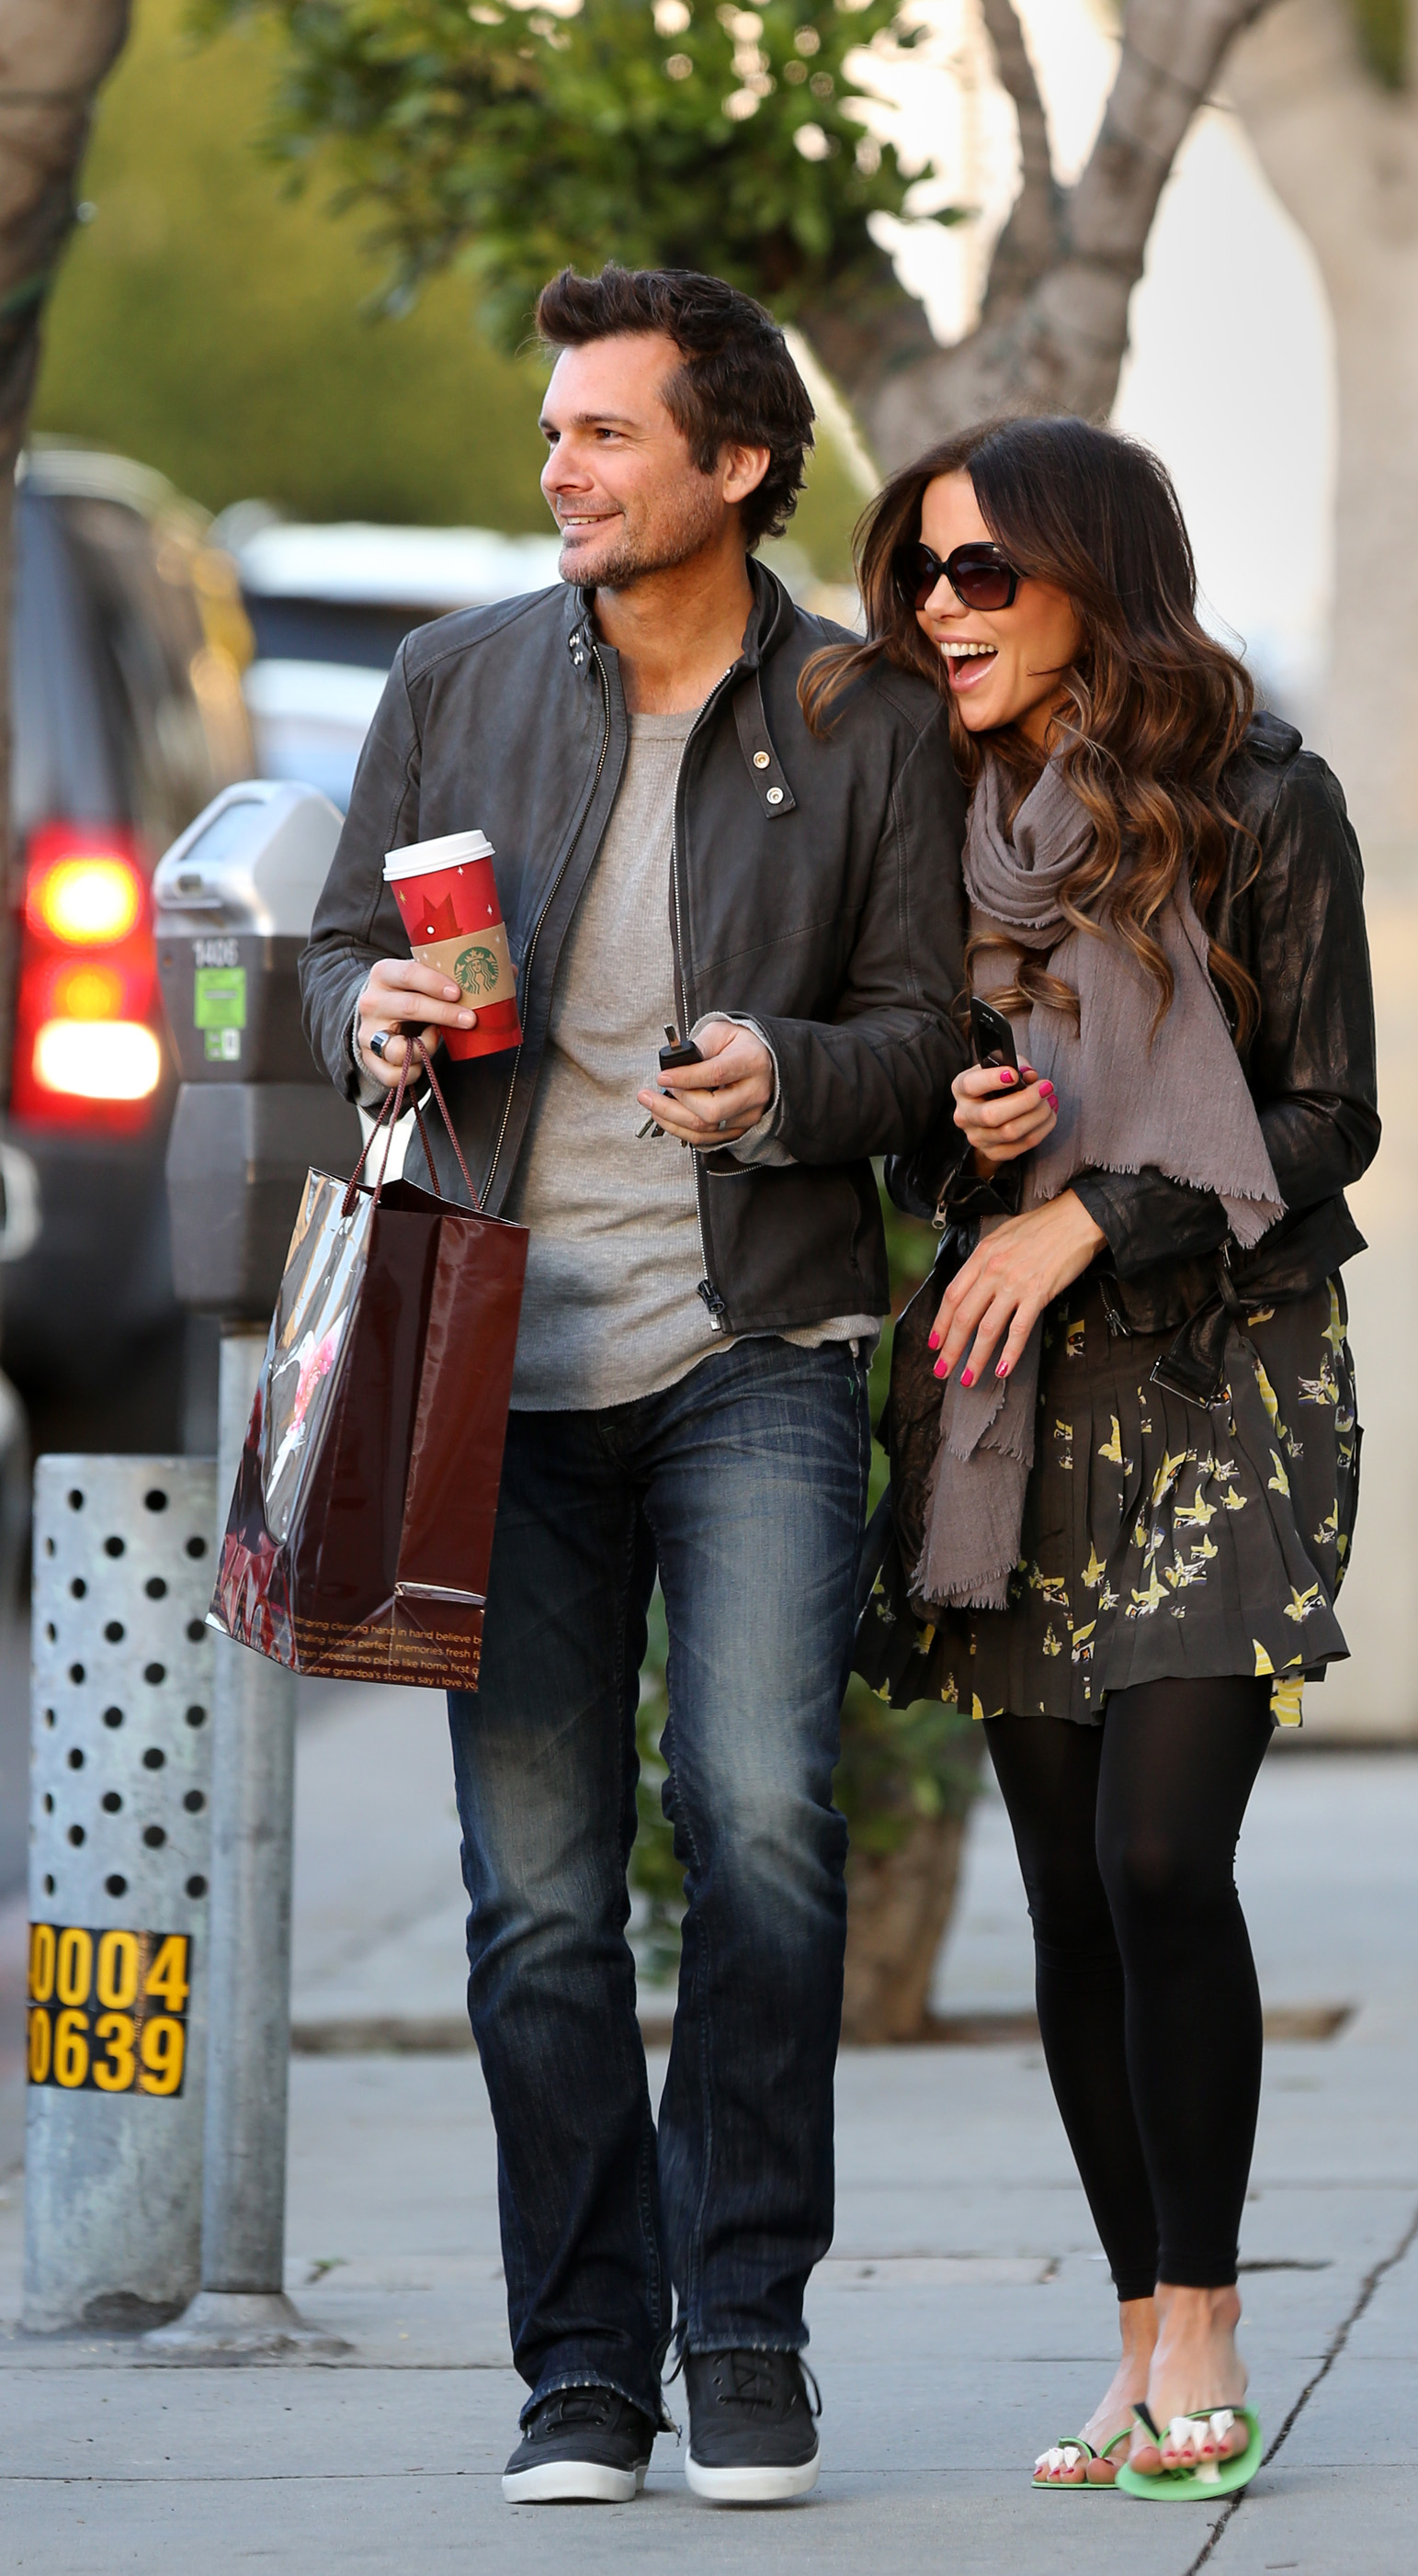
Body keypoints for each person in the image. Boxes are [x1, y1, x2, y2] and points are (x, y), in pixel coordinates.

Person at [301, 266, 967, 2506]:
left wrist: (788, 1082)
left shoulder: (865, 714)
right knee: (536, 1897)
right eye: (556, 433)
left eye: (604, 434)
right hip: (497, 1353)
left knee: (765, 1821)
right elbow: (327, 953)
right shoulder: (453, 677)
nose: (560, 469)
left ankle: (744, 2318)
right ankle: (583, 2358)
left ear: (736, 466)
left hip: (754, 1338)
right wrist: (364, 1018)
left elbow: (934, 1035)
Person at [837, 416, 1378, 2498]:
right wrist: (954, 1135)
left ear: (1091, 575)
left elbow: (1324, 1113)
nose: (938, 610)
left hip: (1223, 1373)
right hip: (1014, 1401)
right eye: (920, 575)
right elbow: (906, 1088)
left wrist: (1091, 1209)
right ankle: (1135, 2328)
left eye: (982, 572)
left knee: (1164, 1855)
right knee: (1067, 1890)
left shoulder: (1256, 802)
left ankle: (1215, 2312)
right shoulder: (926, 814)